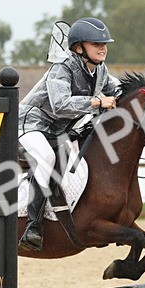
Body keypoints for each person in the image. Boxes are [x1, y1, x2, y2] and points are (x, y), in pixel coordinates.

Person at [17, 17, 122, 251]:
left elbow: (119, 90)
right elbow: (60, 105)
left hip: (59, 130)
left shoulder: (100, 70)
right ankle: (32, 227)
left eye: (104, 43)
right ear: (78, 47)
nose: (102, 47)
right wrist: (98, 102)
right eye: (95, 43)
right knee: (47, 157)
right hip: (30, 124)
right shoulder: (61, 67)